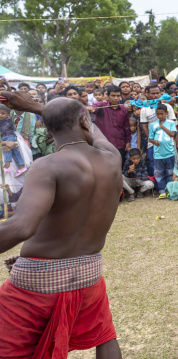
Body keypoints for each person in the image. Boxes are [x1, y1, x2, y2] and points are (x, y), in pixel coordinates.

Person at [0, 91, 122, 358]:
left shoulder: (47, 166)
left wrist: (37, 108)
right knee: (105, 336)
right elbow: (92, 127)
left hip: (36, 283)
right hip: (89, 274)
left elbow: (22, 227)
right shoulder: (112, 157)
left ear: (46, 127)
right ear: (84, 121)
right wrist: (36, 106)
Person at [92, 86, 131, 167]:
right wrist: (92, 108)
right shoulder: (101, 107)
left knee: (119, 166)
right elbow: (95, 106)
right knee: (104, 167)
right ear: (108, 96)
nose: (116, 98)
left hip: (120, 144)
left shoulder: (124, 110)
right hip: (104, 145)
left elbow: (126, 127)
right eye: (113, 96)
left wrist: (127, 142)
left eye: (118, 96)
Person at [148, 104, 177, 199]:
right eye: (158, 114)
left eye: (162, 114)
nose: (160, 116)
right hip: (158, 154)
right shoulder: (153, 125)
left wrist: (162, 126)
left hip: (169, 153)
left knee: (170, 172)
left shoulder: (171, 123)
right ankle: (161, 190)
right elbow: (150, 138)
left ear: (166, 113)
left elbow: (172, 134)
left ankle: (169, 189)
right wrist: (154, 142)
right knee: (159, 172)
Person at [0, 105, 26, 177]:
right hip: (5, 138)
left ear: (8, 115)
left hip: (9, 137)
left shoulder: (6, 121)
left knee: (7, 148)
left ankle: (7, 166)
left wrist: (5, 142)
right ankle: (21, 166)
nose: (0, 115)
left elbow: (3, 130)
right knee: (15, 152)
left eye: (3, 113)